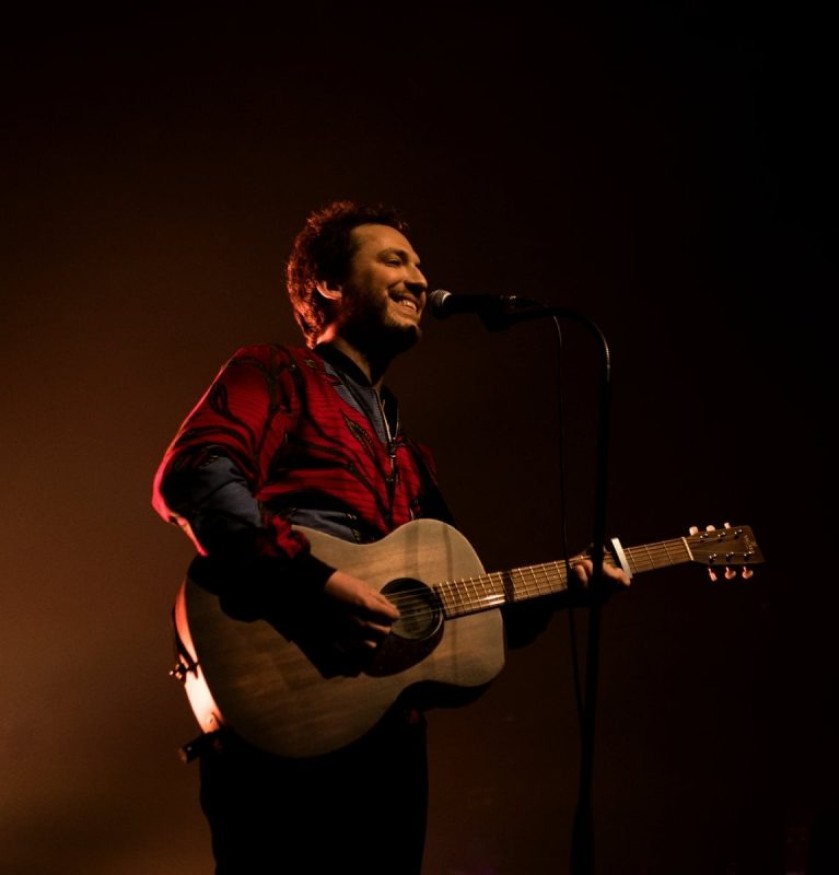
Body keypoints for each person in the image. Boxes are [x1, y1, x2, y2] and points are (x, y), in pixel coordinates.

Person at [151, 199, 629, 874]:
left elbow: (465, 607)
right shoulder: (276, 373)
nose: (419, 279)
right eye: (393, 260)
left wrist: (562, 590)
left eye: (419, 264)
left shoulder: (411, 455)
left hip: (387, 746)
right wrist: (314, 584)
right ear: (328, 284)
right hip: (281, 720)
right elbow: (195, 474)